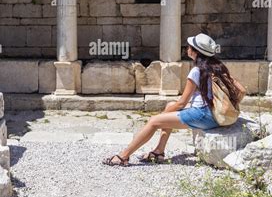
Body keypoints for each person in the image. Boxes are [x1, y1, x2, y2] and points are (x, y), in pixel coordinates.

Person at [102, 33, 243, 166]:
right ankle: (159, 151)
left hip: (204, 115)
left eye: (189, 47)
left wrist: (159, 118)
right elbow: (240, 90)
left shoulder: (197, 71)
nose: (187, 49)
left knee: (153, 121)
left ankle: (123, 156)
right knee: (170, 105)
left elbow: (182, 102)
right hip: (214, 113)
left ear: (195, 52)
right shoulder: (219, 67)